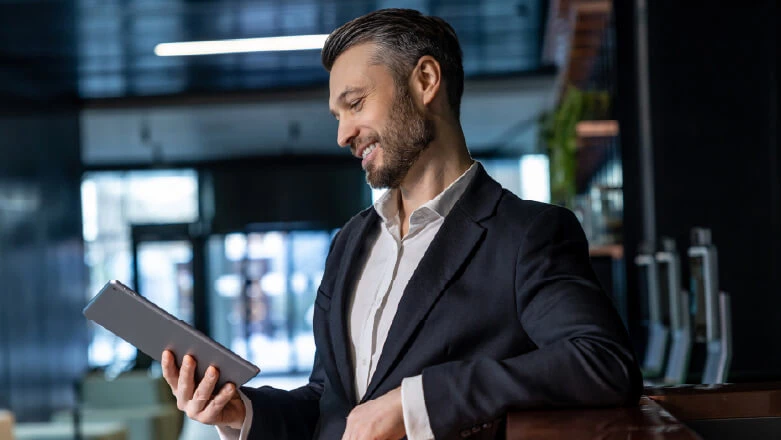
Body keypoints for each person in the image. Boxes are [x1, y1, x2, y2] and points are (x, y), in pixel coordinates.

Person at [160, 8, 642, 440]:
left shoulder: (526, 234)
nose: (342, 133)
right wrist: (241, 412)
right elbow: (329, 402)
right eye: (337, 115)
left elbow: (602, 362)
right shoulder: (349, 243)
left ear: (426, 80)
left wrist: (418, 404)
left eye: (355, 103)